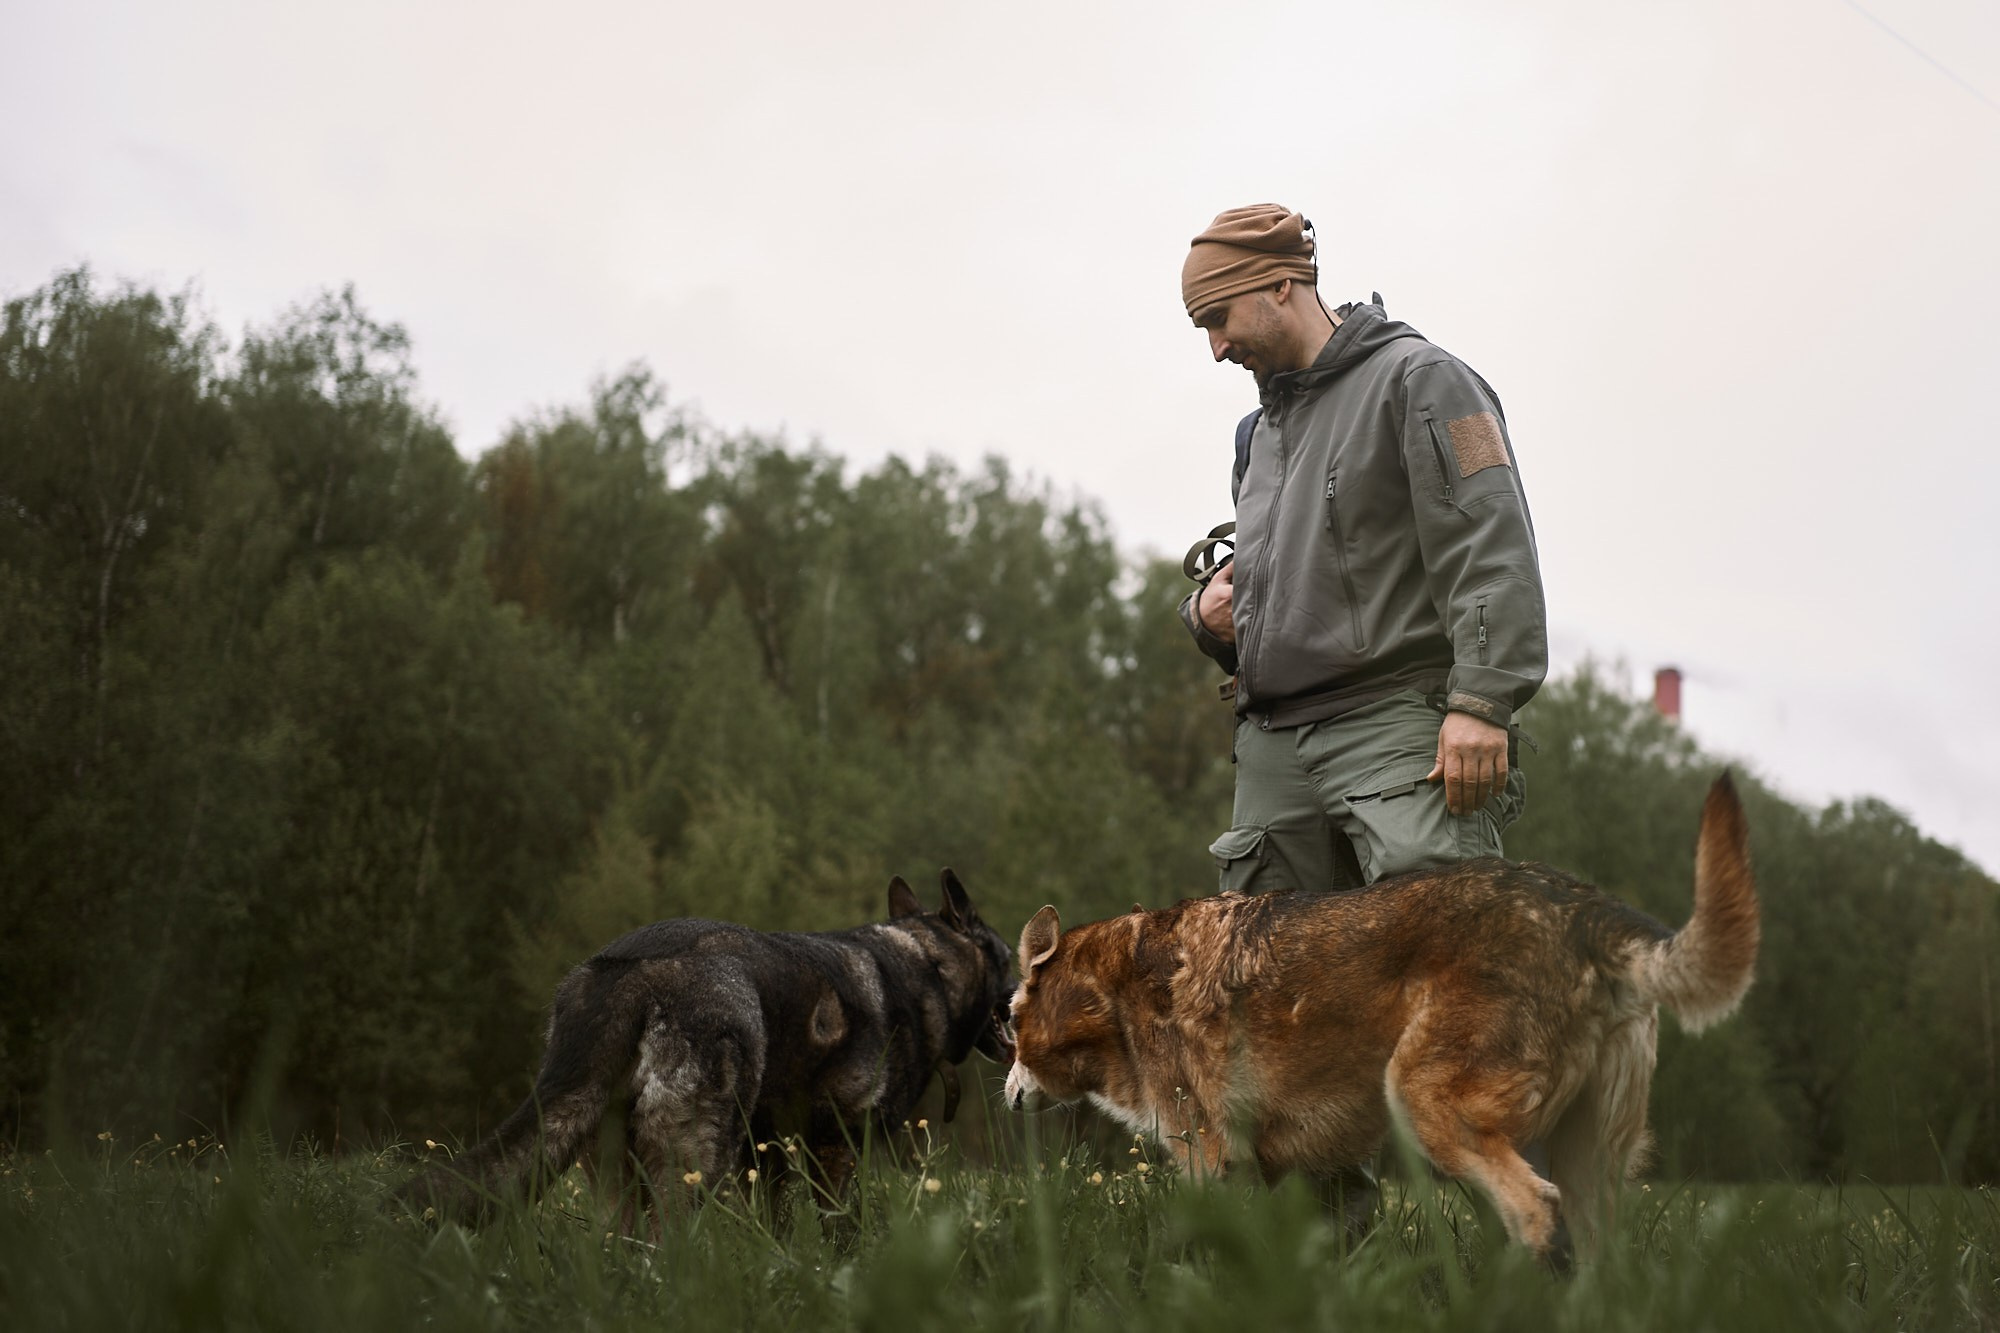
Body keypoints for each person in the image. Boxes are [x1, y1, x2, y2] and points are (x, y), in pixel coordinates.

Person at [1176, 203, 1547, 896]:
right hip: (1273, 750)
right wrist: (1212, 615)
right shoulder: (1254, 436)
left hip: (1395, 728)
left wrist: (1484, 700)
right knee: (1261, 989)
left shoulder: (1423, 380)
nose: (1217, 348)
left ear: (1281, 284)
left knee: (1442, 964)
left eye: (1219, 318)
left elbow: (1490, 539)